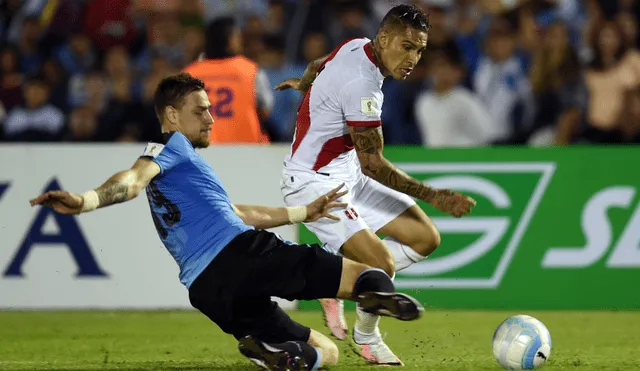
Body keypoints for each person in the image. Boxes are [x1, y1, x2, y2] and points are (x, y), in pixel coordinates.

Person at [28, 72, 424, 371]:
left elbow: (237, 213)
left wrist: (304, 213)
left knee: (326, 353)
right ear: (170, 114)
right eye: (200, 110)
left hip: (207, 290)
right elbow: (132, 180)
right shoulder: (169, 147)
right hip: (241, 254)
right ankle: (374, 297)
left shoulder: (182, 171)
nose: (210, 119)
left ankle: (273, 351)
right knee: (369, 273)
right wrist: (85, 200)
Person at [276, 4, 476, 365]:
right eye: (406, 46)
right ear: (383, 38)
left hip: (346, 172)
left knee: (425, 238)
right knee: (382, 265)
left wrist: (306, 86)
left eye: (419, 50)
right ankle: (365, 335)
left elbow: (318, 65)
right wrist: (436, 196)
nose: (413, 58)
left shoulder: (356, 44)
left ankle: (338, 278)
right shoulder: (363, 85)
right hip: (315, 183)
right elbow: (374, 163)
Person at [183, 16, 272, 144]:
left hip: (200, 153)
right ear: (229, 40)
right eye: (237, 36)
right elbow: (266, 109)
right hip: (246, 152)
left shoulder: (188, 73)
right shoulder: (250, 70)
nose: (241, 40)